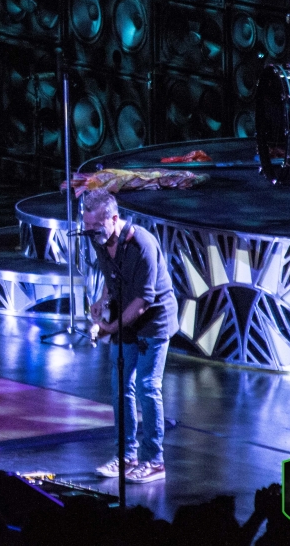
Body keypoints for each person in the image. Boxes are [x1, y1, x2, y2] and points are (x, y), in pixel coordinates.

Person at [83, 189, 179, 484]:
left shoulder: (142, 244)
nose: (91, 233)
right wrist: (102, 301)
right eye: (87, 226)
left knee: (148, 387)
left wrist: (111, 328)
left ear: (114, 219)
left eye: (96, 226)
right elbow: (112, 277)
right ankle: (126, 456)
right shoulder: (100, 240)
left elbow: (143, 301)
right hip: (126, 316)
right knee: (120, 386)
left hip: (153, 322)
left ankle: (155, 461)